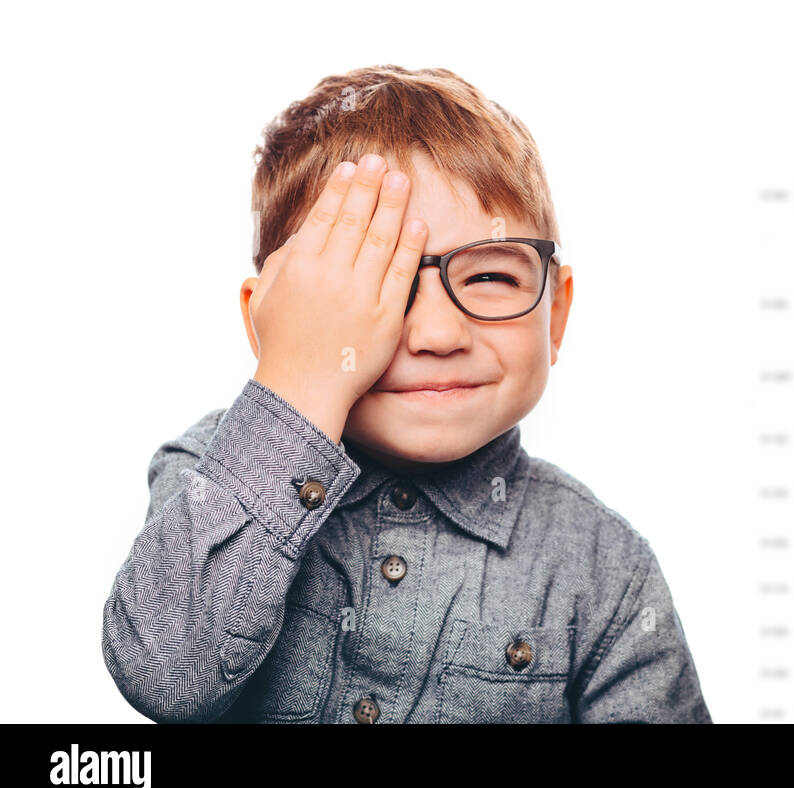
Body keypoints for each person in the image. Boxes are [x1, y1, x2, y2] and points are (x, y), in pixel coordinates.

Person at [101, 65, 711, 723]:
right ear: (269, 322)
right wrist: (299, 381)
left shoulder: (604, 568)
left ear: (555, 316)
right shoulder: (211, 474)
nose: (439, 333)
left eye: (492, 278)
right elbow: (167, 679)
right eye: (374, 282)